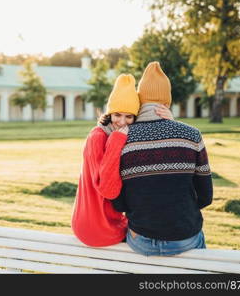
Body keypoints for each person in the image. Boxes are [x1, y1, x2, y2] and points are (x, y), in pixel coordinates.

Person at [112, 62, 213, 256]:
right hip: (184, 238)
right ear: (166, 103)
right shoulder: (191, 135)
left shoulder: (121, 139)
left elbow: (118, 202)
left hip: (140, 239)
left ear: (139, 103)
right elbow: (205, 196)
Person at [71, 73, 173, 247]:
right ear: (109, 113)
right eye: (117, 114)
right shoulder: (98, 137)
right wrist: (117, 141)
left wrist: (170, 123)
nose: (122, 122)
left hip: (107, 220)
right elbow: (107, 190)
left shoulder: (124, 135)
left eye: (129, 117)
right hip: (98, 225)